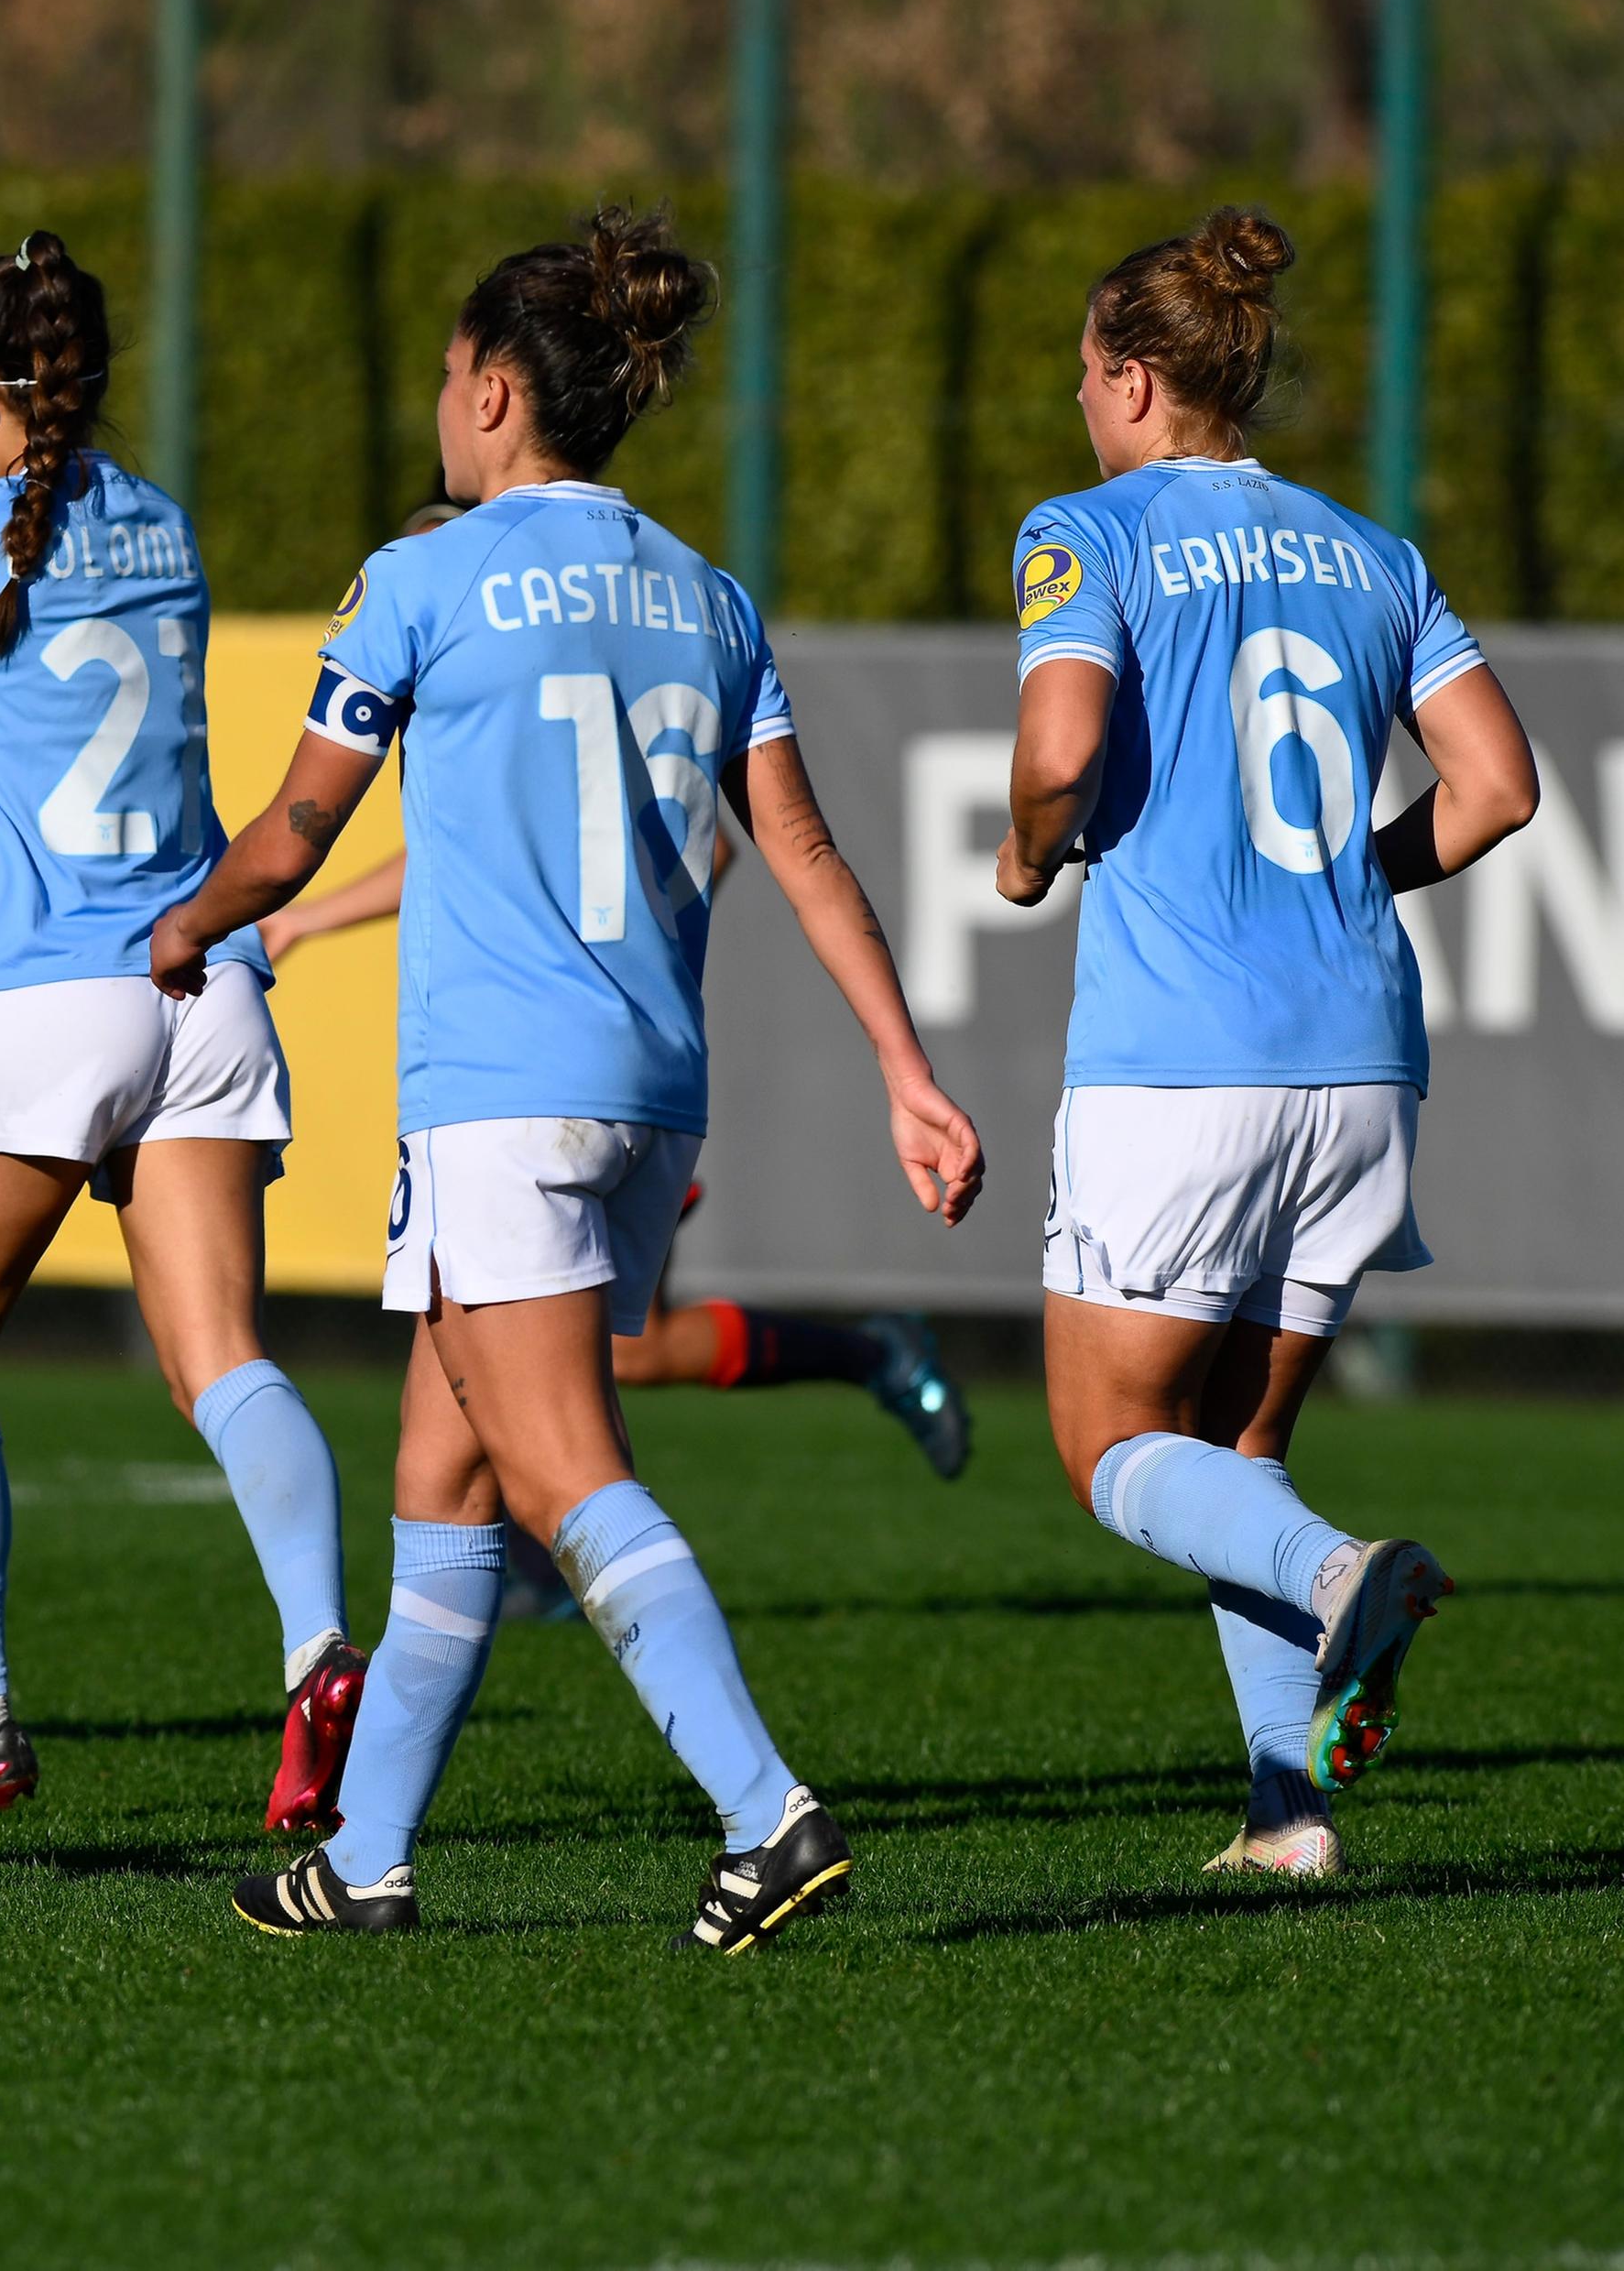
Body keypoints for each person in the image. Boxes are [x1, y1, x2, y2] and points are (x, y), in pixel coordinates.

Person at [155, 208, 985, 1951]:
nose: (440, 405)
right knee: (446, 1476)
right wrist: (906, 1070)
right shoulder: (706, 592)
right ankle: (364, 1856)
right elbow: (804, 850)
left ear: (493, 392)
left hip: (501, 1090)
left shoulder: (424, 577)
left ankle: (767, 1813)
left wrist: (185, 927)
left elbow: (299, 823)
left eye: (448, 376)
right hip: (650, 1088)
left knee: (557, 1469)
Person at [0, 232, 365, 1832]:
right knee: (221, 1356)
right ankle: (319, 1643)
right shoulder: (167, 524)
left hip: (51, 1000)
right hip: (204, 985)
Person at [996, 207, 1536, 1880]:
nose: (1080, 402)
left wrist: (1024, 853)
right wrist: (1347, 875)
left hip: (1183, 1059)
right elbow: (1500, 787)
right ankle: (1287, 1813)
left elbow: (1059, 753)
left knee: (1110, 1446)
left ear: (1135, 381)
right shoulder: (1375, 552)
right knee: (1237, 1445)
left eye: (1087, 372)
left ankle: (1337, 1573)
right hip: (1364, 1052)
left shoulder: (1085, 530)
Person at [266, 842, 973, 1498]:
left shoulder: (568, 762)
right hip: (571, 1085)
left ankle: (575, 1561)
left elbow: (707, 843)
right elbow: (464, 844)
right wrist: (309, 917)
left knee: (525, 1355)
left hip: (578, 1085)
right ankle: (874, 1355)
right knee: (558, 1349)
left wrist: (617, 950)